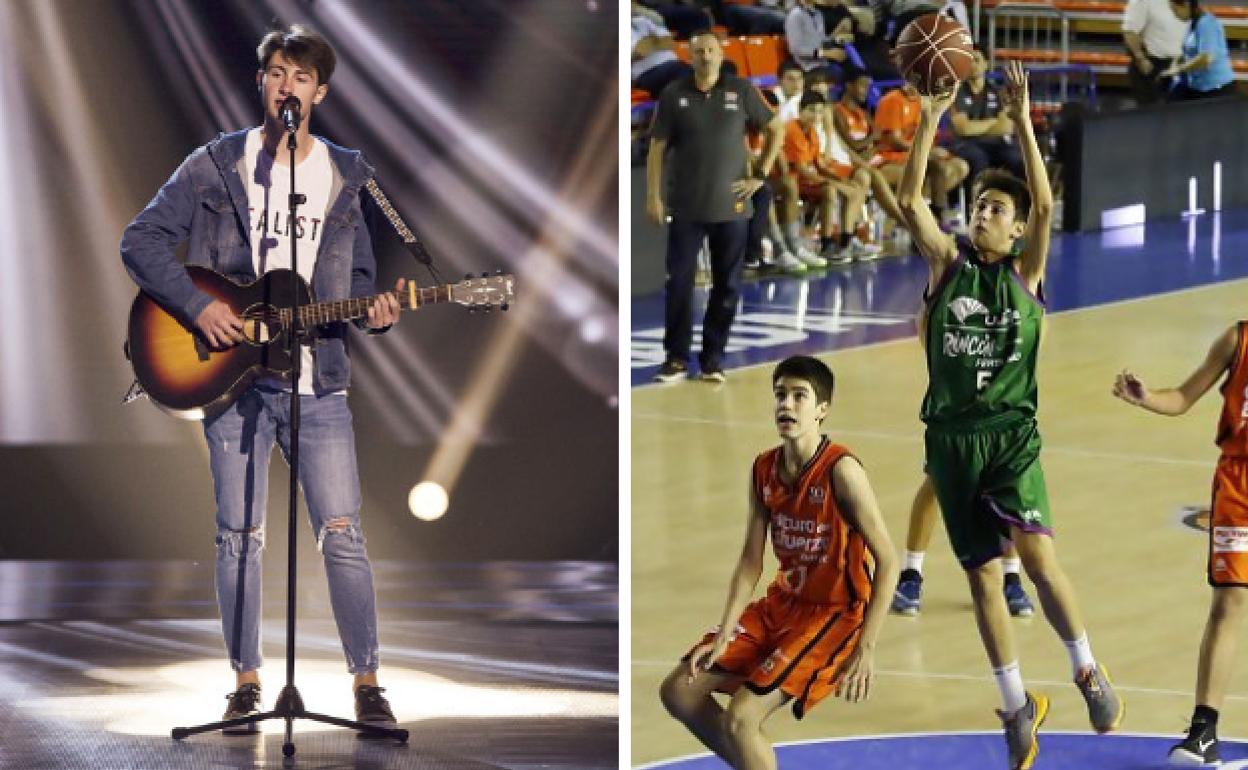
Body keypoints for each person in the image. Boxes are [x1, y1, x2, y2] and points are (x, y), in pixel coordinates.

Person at [119, 26, 401, 731]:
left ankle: (366, 682)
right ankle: (245, 679)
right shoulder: (217, 164)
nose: (287, 86)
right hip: (233, 381)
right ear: (262, 84)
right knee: (238, 535)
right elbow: (140, 239)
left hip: (317, 381)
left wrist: (381, 313)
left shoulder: (345, 174)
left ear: (320, 93)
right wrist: (196, 306)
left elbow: (362, 280)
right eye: (276, 72)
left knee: (341, 532)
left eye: (300, 77)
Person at [896, 62, 1123, 770]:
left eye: (997, 210)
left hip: (1011, 437)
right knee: (982, 578)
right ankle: (1018, 705)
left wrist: (1022, 120)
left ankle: (1085, 667)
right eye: (979, 207)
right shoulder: (947, 268)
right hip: (953, 440)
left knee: (1039, 557)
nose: (983, 214)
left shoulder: (1026, 276)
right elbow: (910, 203)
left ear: (1018, 228)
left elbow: (1050, 208)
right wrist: (931, 114)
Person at [659, 355, 899, 770]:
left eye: (799, 396)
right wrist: (725, 630)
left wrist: (867, 648)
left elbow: (889, 562)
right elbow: (751, 561)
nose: (786, 405)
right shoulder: (763, 468)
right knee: (679, 691)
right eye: (780, 395)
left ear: (822, 409)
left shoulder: (842, 472)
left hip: (835, 614)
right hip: (781, 605)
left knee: (740, 718)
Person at [1112, 324, 1248, 766]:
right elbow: (1184, 396)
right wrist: (1146, 397)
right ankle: (1204, 732)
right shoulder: (1239, 339)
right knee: (1228, 603)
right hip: (1239, 486)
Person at [647, 31, 784, 384]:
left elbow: (776, 129)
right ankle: (676, 358)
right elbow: (658, 148)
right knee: (678, 283)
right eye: (698, 51)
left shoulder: (741, 91)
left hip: (732, 207)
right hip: (686, 208)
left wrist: (761, 175)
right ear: (689, 57)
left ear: (721, 55)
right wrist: (653, 195)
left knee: (728, 286)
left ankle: (713, 359)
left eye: (711, 50)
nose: (705, 56)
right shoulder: (674, 95)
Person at [774, 91, 879, 265]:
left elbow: (819, 165)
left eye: (820, 111)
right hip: (790, 180)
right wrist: (837, 184)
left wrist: (842, 181)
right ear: (800, 111)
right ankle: (828, 244)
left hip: (806, 178)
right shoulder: (793, 130)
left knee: (853, 185)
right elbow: (802, 170)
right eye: (811, 110)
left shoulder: (812, 131)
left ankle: (846, 240)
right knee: (831, 190)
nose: (816, 115)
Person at [877, 80, 969, 232]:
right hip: (891, 158)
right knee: (931, 167)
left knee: (960, 166)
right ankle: (935, 216)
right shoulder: (892, 100)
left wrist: (934, 149)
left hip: (919, 155)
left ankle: (926, 213)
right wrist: (925, 150)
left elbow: (930, 135)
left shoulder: (924, 101)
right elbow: (894, 140)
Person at [948, 49, 1025, 183]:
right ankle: (975, 201)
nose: (972, 65)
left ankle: (1020, 201)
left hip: (996, 143)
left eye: (977, 60)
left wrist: (975, 127)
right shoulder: (957, 92)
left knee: (1016, 159)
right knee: (978, 159)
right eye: (968, 61)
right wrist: (993, 122)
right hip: (967, 144)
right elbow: (963, 129)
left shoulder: (998, 92)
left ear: (986, 64)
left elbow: (1006, 127)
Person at [1162, 0, 1237, 100]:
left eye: (1175, 10)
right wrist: (1174, 64)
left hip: (1215, 89)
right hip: (1196, 85)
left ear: (1186, 4)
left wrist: (1178, 69)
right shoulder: (1192, 23)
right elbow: (1186, 50)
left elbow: (1206, 58)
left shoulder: (1207, 23)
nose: (1175, 14)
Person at [1122, 0, 1186, 105]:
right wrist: (1141, 58)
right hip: (1152, 67)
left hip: (1180, 64)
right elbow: (1130, 32)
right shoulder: (1141, 2)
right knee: (1152, 113)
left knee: (1179, 113)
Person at [633, 4, 694, 98]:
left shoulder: (642, 20)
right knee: (683, 71)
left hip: (671, 66)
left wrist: (650, 43)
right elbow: (640, 51)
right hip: (646, 73)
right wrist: (656, 42)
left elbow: (669, 42)